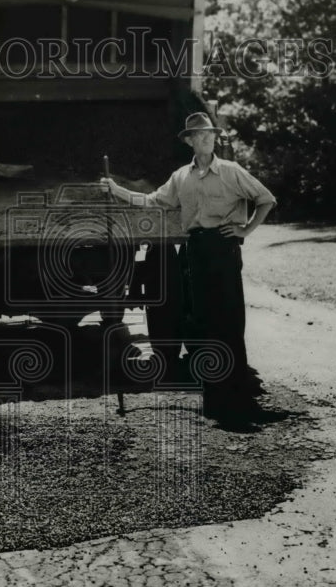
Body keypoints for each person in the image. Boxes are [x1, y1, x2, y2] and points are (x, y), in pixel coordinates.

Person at [100, 111, 279, 428]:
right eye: (200, 135)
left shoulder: (231, 171)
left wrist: (245, 231)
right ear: (190, 142)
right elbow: (151, 200)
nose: (207, 138)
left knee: (230, 321)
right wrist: (116, 190)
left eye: (210, 134)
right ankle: (216, 401)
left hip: (224, 249)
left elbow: (266, 199)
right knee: (205, 324)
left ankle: (239, 399)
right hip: (196, 250)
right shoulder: (181, 177)